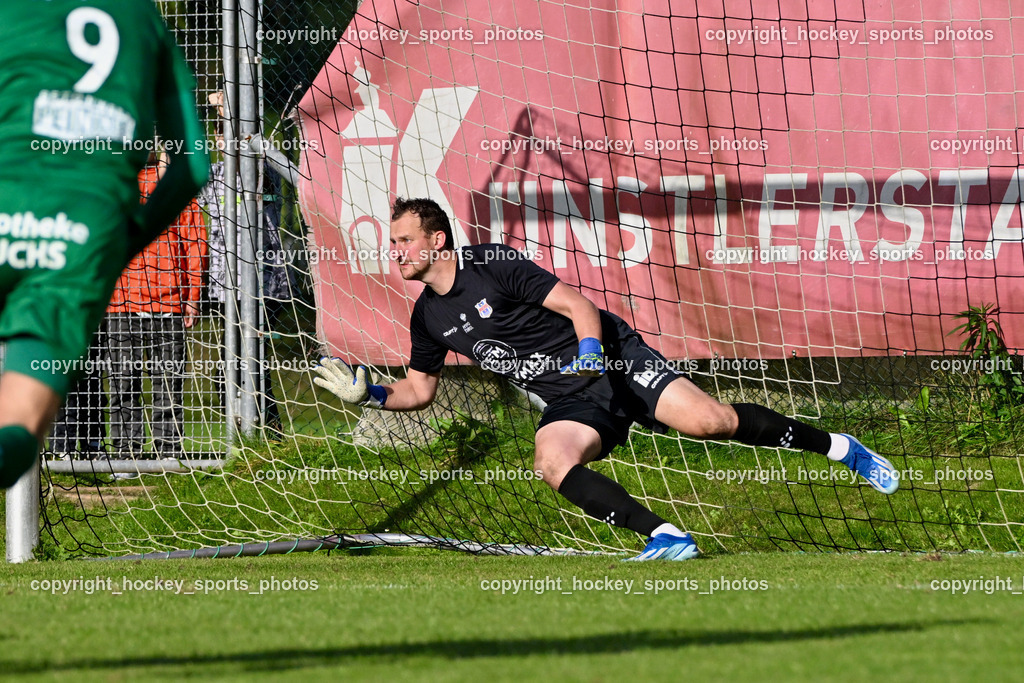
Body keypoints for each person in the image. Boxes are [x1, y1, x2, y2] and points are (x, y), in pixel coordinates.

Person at [313, 197, 900, 561]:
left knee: (710, 422)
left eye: (404, 241)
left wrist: (593, 352)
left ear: (436, 240)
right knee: (551, 460)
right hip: (570, 397)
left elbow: (579, 307)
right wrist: (372, 394)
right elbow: (419, 390)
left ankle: (841, 448)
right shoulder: (427, 317)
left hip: (612, 357)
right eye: (393, 244)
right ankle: (667, 537)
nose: (397, 252)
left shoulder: (493, 265)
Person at [0, 0, 209, 487]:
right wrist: (124, 242)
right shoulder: (144, 19)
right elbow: (193, 166)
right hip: (81, 239)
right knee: (19, 428)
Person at [106, 153, 207, 459]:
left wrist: (191, 298)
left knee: (147, 386)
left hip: (162, 304)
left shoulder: (171, 189)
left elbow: (194, 245)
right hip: (126, 303)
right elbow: (195, 246)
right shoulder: (120, 187)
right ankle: (144, 452)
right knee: (150, 384)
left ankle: (152, 453)